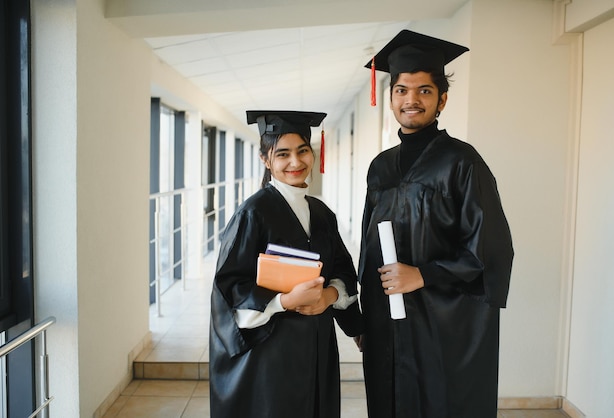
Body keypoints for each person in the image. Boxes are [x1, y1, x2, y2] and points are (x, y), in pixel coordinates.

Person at [356, 30, 514, 418]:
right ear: (390, 97)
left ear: (442, 99)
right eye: (402, 89)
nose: (411, 100)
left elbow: (491, 249)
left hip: (441, 319)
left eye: (424, 91)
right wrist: (365, 312)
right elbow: (368, 243)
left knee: (437, 403)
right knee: (388, 399)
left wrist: (422, 276)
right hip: (386, 316)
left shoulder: (462, 162)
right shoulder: (380, 166)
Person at [209, 110, 363, 418]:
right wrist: (284, 301)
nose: (296, 162)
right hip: (271, 355)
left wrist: (330, 297)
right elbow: (229, 288)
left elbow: (343, 269)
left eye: (302, 150)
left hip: (318, 347)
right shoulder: (252, 214)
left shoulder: (321, 214)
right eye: (283, 154)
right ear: (266, 159)